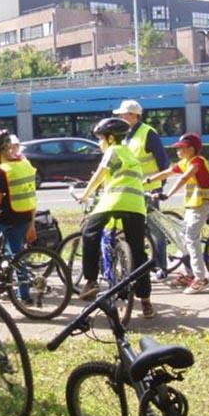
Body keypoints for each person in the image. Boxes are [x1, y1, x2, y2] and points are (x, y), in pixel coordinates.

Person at [75, 118, 154, 318]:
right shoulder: (130, 154)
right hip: (136, 207)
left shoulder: (113, 150)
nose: (100, 143)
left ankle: (91, 281)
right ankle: (146, 302)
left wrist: (84, 195)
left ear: (110, 138)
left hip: (114, 202)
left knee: (89, 232)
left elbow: (99, 175)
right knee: (138, 252)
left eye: (101, 139)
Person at [145, 133, 209, 295]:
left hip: (203, 204)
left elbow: (183, 178)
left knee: (191, 238)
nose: (178, 151)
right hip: (193, 205)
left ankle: (200, 278)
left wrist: (167, 195)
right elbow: (167, 173)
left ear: (191, 149)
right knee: (183, 237)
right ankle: (190, 274)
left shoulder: (197, 162)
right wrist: (147, 180)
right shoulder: (185, 162)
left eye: (181, 148)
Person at [115, 99, 171, 281]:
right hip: (132, 190)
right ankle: (140, 265)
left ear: (134, 115)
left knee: (155, 230)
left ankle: (161, 267)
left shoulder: (148, 133)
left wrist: (160, 185)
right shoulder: (125, 135)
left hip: (149, 190)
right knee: (135, 229)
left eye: (123, 114)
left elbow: (163, 161)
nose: (120, 117)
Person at [0, 130, 37, 301]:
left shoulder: (5, 170)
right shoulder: (25, 164)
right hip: (24, 216)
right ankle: (24, 295)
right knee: (17, 255)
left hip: (5, 217)